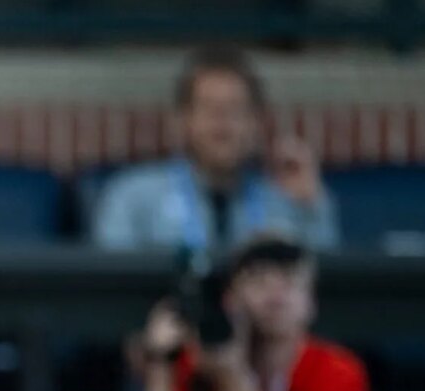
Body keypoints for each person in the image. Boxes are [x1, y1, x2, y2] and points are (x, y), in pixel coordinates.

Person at [94, 46, 337, 255]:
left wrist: (311, 208)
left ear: (256, 123)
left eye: (235, 109)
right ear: (183, 121)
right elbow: (111, 293)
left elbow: (326, 291)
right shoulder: (133, 197)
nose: (222, 122)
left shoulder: (284, 202)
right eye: (209, 109)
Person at [133, 235, 368, 391]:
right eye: (259, 281)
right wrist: (160, 365)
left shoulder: (338, 370)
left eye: (290, 282)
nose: (276, 296)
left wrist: (234, 378)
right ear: (230, 298)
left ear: (312, 302)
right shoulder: (200, 360)